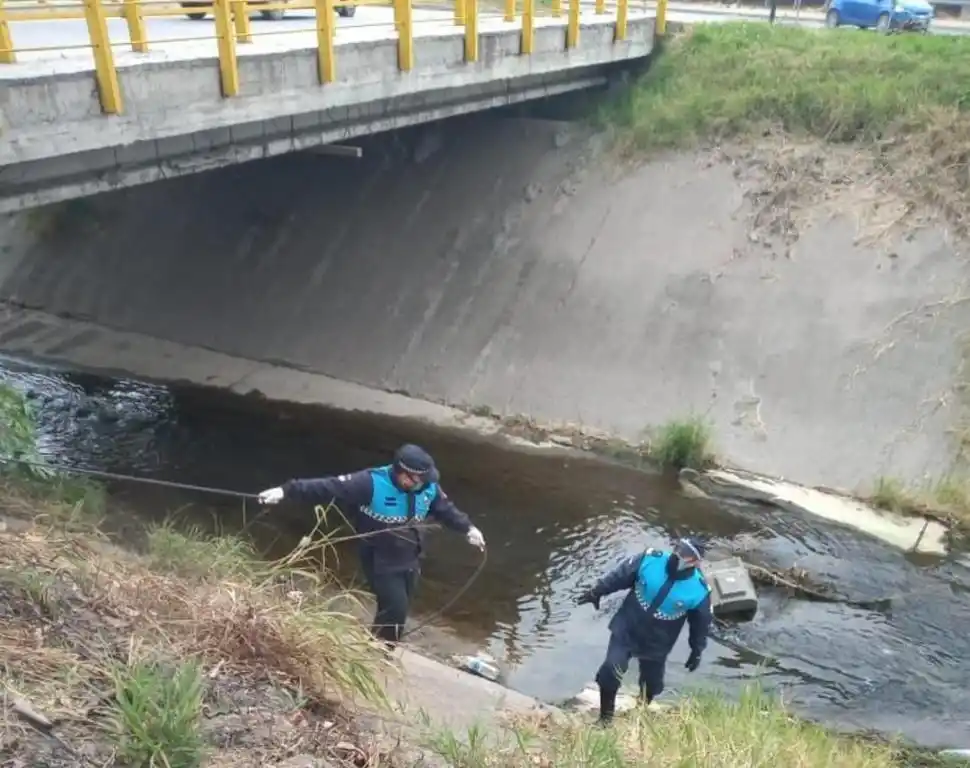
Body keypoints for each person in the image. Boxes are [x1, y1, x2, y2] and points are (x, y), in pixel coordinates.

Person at [257, 444, 486, 646]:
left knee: (398, 608)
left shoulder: (428, 487)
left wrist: (468, 529)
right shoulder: (369, 483)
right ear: (404, 475)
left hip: (411, 556)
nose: (424, 485)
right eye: (419, 480)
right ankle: (381, 653)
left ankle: (375, 645)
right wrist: (285, 491)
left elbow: (446, 510)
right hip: (379, 557)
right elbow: (328, 487)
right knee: (395, 609)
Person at [576, 537, 712, 724]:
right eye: (678, 549)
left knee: (652, 683)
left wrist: (697, 650)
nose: (678, 555)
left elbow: (701, 625)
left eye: (686, 555)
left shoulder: (698, 591)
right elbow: (620, 576)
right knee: (610, 671)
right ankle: (605, 719)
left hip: (657, 642)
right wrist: (597, 591)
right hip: (626, 629)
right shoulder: (650, 560)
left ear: (695, 562)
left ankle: (641, 708)